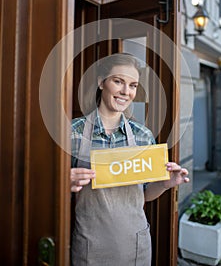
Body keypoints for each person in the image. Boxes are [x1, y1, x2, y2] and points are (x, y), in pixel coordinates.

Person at [70, 53, 189, 266]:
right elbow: (47, 193)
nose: (126, 91)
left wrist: (165, 183)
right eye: (118, 81)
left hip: (136, 247)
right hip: (89, 247)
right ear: (101, 82)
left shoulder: (143, 136)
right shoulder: (72, 133)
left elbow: (144, 195)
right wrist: (65, 182)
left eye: (133, 85)